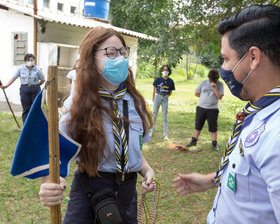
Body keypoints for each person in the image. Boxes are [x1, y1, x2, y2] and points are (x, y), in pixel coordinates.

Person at [173, 4, 280, 223]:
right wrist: (210, 180)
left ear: (253, 58)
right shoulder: (258, 112)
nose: (223, 68)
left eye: (225, 58)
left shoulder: (277, 134)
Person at [39, 27, 155, 224]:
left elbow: (133, 148)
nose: (120, 58)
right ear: (92, 59)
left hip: (127, 192)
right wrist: (48, 184)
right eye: (111, 52)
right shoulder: (77, 105)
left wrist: (146, 169)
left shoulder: (135, 103)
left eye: (123, 51)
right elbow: (54, 152)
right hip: (90, 190)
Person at [0, 54, 45, 124]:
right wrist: (6, 86)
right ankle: (26, 125)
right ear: (25, 61)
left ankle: (35, 124)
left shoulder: (37, 69)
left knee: (35, 108)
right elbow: (13, 77)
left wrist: (36, 85)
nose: (30, 62)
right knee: (26, 108)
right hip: (24, 89)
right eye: (28, 60)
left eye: (32, 60)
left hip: (35, 89)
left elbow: (42, 80)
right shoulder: (20, 68)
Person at [186, 69, 224, 151]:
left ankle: (214, 144)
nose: (212, 81)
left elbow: (220, 97)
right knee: (198, 125)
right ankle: (194, 141)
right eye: (211, 79)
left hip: (213, 109)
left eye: (214, 79)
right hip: (201, 107)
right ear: (209, 77)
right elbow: (196, 93)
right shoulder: (203, 82)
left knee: (213, 127)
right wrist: (204, 98)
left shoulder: (220, 84)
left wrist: (214, 87)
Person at [150, 65, 175, 140]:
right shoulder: (158, 80)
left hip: (165, 98)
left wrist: (165, 96)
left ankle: (165, 134)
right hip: (158, 96)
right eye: (164, 70)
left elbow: (170, 92)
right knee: (154, 114)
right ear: (161, 71)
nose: (165, 71)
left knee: (165, 115)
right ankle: (151, 131)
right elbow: (154, 89)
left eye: (167, 70)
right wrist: (154, 97)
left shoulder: (171, 81)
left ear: (169, 71)